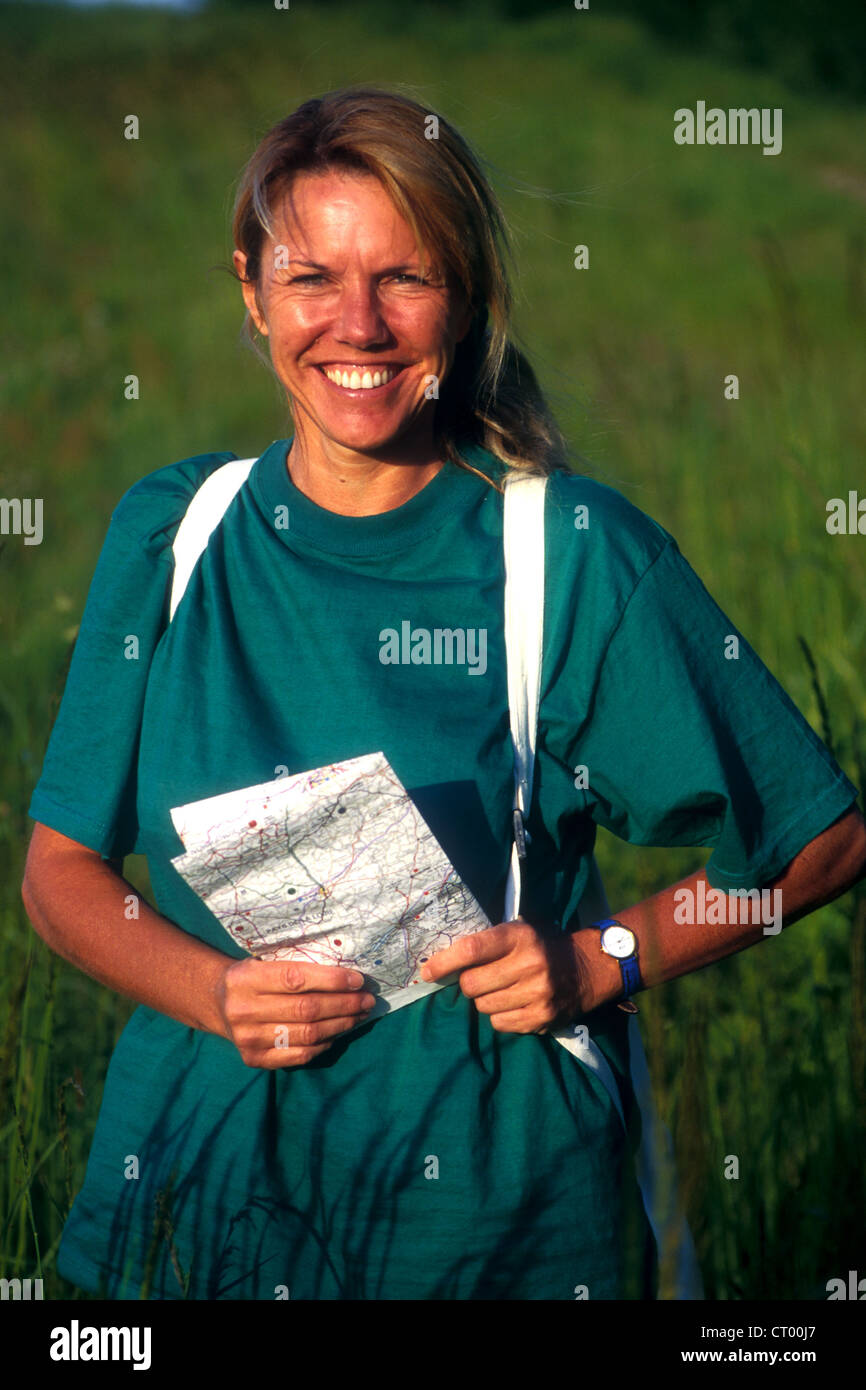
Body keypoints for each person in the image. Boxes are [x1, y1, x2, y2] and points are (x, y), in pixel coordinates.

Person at [22, 86, 866, 1302]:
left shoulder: (568, 553)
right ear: (251, 291)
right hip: (187, 1216)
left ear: (461, 301)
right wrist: (212, 993)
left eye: (403, 279)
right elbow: (60, 873)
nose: (355, 326)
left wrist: (602, 960)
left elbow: (818, 838)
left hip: (492, 1231)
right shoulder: (172, 531)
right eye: (311, 278)